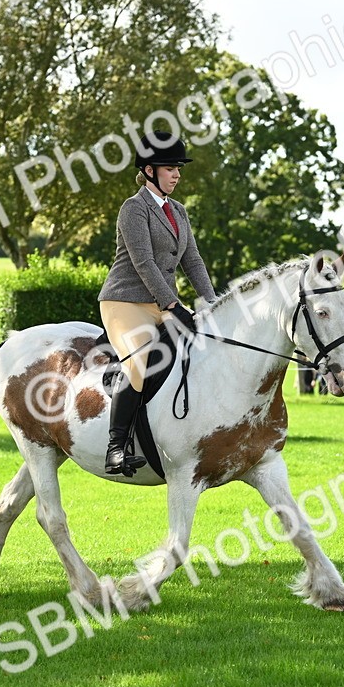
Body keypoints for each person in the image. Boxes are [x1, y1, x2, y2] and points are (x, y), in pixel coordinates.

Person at [97, 131, 216, 476]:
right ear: (149, 171)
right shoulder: (133, 209)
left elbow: (192, 260)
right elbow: (144, 262)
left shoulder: (178, 210)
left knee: (201, 350)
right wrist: (174, 305)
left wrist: (212, 303)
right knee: (139, 362)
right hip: (125, 301)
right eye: (170, 168)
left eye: (178, 168)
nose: (177, 174)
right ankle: (115, 448)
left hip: (163, 302)